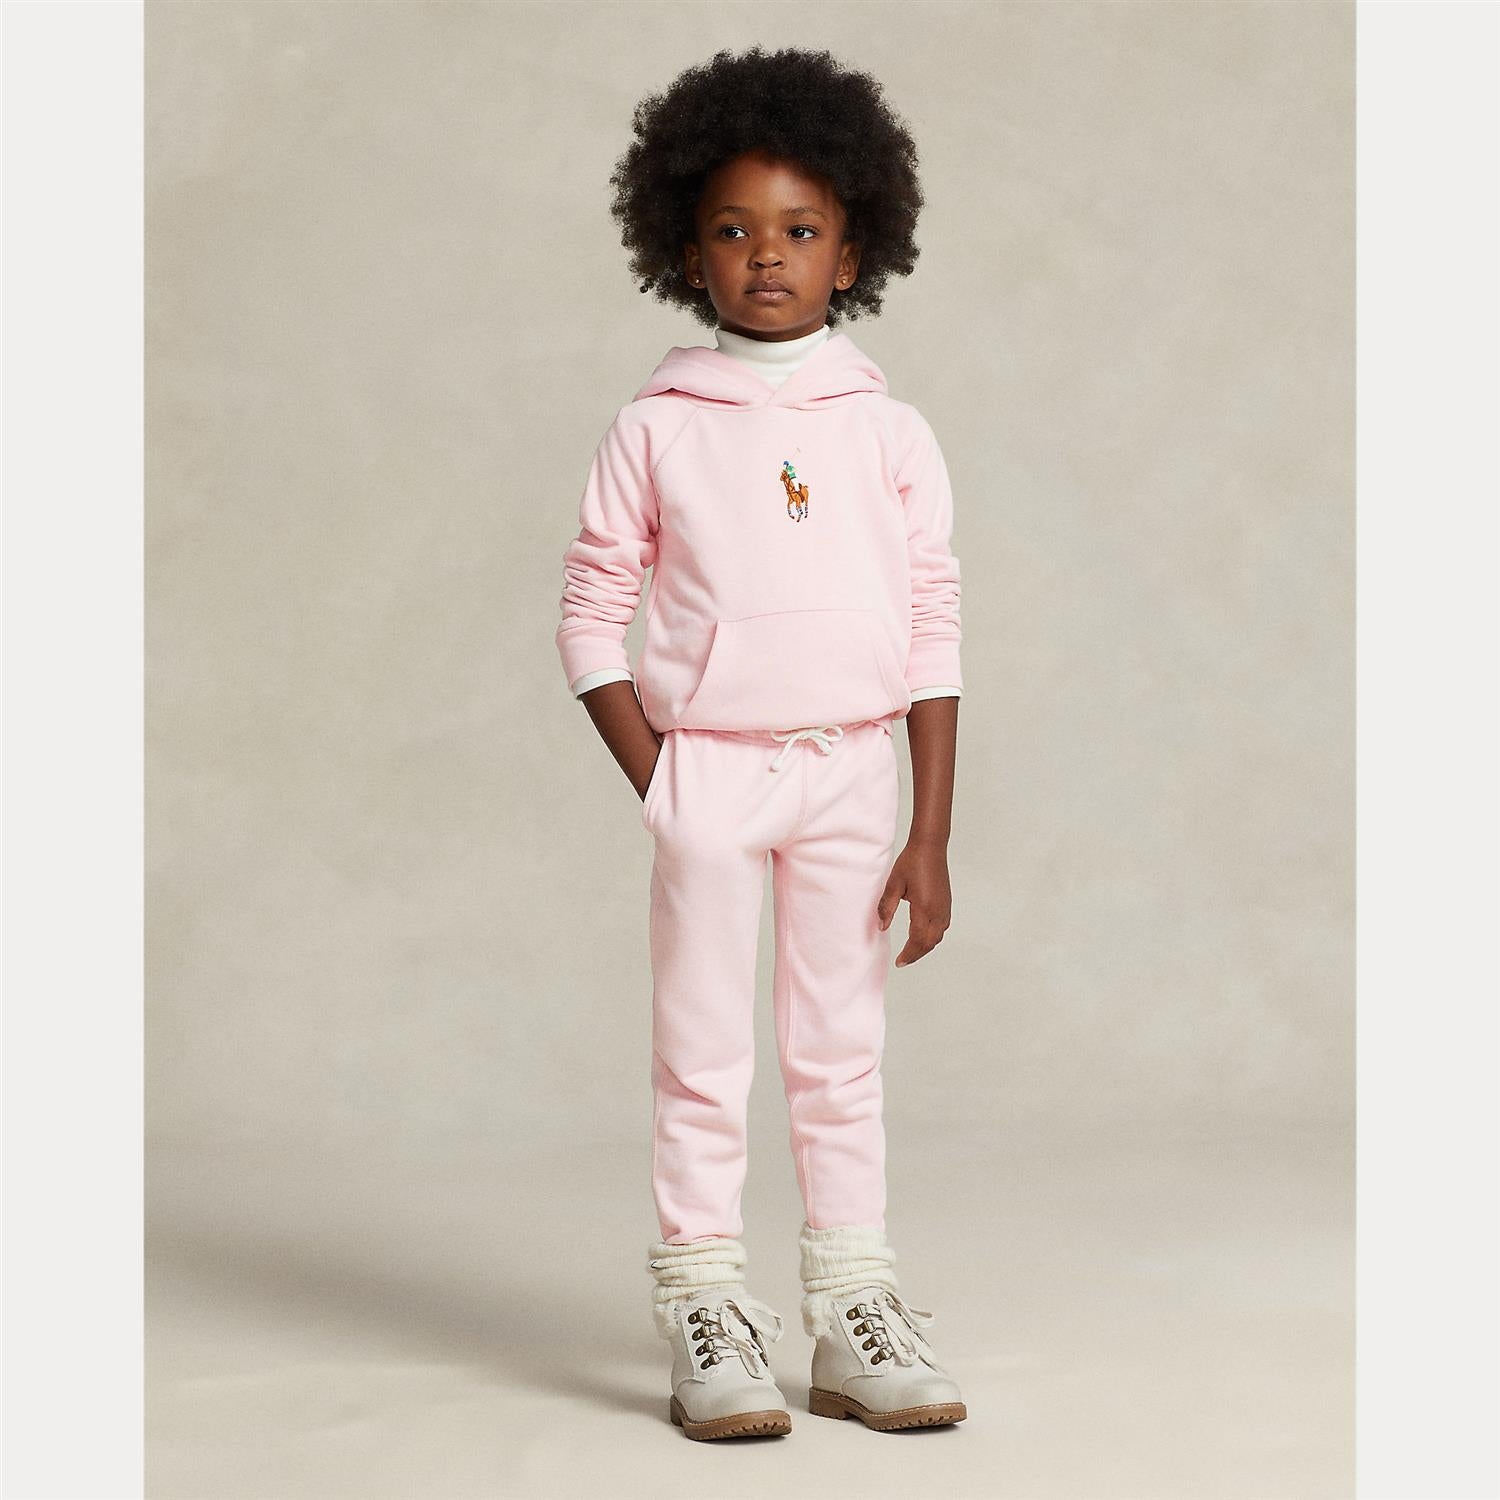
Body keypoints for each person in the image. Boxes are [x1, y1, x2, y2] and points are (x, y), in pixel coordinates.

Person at [554, 44, 969, 1440]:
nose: (768, 255)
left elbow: (933, 627)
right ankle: (706, 1311)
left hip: (855, 774)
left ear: (853, 252)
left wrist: (928, 831)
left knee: (840, 1057)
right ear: (688, 253)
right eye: (734, 231)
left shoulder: (890, 432)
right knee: (702, 1057)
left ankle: (854, 1310)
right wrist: (664, 777)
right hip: (713, 779)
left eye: (799, 230)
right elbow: (590, 612)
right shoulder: (656, 428)